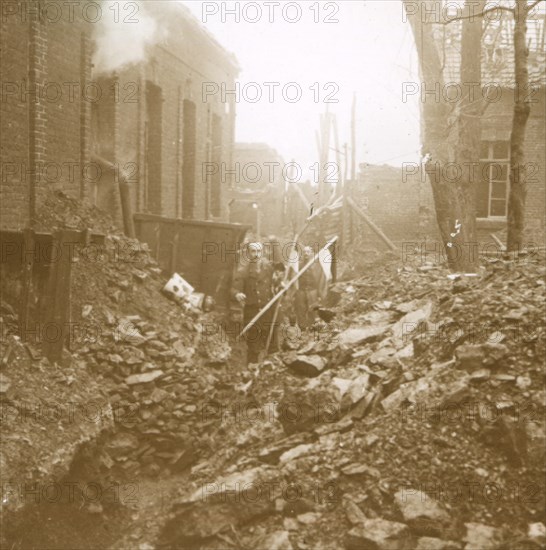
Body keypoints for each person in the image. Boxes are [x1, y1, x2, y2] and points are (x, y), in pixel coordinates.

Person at [232, 242, 276, 365]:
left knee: (270, 336)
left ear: (262, 252)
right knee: (253, 340)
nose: (256, 254)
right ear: (248, 253)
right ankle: (252, 367)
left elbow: (277, 281)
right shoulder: (243, 270)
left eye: (258, 251)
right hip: (252, 310)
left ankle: (270, 367)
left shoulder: (269, 267)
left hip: (267, 308)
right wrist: (237, 294)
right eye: (253, 251)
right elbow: (234, 288)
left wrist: (280, 285)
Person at [295, 246, 321, 330]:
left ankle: (312, 327)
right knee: (301, 309)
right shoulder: (298, 265)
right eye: (304, 252)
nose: (306, 254)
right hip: (301, 290)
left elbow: (319, 278)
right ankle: (302, 328)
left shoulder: (316, 265)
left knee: (313, 309)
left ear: (311, 253)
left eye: (308, 252)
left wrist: (319, 292)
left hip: (312, 290)